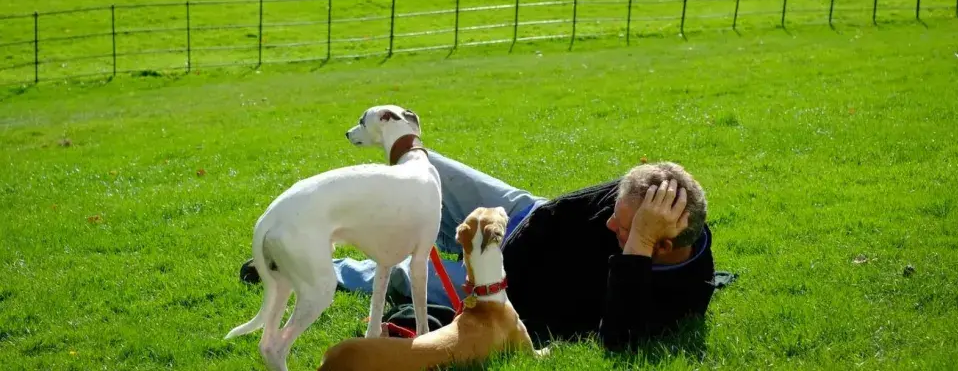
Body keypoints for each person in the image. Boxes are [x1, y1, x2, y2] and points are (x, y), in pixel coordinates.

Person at [238, 154, 716, 351]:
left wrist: (634, 249)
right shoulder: (642, 199)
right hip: (522, 220)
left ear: (663, 245)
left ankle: (335, 266)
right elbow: (554, 216)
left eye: (626, 228)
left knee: (410, 274)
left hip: (505, 296)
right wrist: (494, 251)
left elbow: (619, 341)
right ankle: (327, 219)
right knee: (422, 163)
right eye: (616, 211)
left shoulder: (682, 292)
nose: (609, 222)